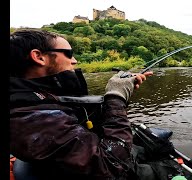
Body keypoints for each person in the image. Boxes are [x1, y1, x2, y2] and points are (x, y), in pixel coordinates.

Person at [10, 29, 153, 180]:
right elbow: (111, 166)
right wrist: (116, 97)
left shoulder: (39, 96)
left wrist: (121, 92)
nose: (74, 61)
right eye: (69, 53)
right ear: (39, 57)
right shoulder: (29, 117)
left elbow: (87, 119)